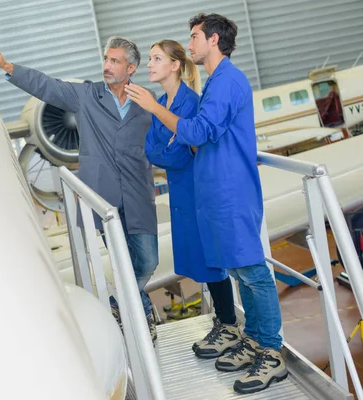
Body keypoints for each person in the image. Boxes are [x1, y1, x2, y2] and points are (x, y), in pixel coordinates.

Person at [125, 14, 287, 394]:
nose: (191, 43)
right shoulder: (217, 82)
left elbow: (198, 131)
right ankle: (255, 339)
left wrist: (154, 107)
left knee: (252, 270)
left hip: (231, 190)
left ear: (213, 40)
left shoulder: (228, 81)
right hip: (216, 190)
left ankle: (272, 352)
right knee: (238, 270)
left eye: (194, 37)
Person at [0, 37, 160, 341]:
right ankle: (142, 316)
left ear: (131, 67)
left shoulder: (146, 100)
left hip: (138, 191)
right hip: (103, 196)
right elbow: (46, 86)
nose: (106, 66)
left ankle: (120, 303)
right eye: (106, 59)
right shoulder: (86, 95)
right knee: (123, 261)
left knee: (148, 261)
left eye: (115, 61)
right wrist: (7, 65)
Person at [143, 39, 240, 359]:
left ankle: (228, 324)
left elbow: (184, 151)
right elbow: (154, 152)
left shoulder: (192, 102)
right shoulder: (160, 102)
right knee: (200, 259)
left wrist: (174, 145)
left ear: (175, 65)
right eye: (149, 59)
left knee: (212, 260)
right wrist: (174, 143)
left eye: (157, 58)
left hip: (197, 191)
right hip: (182, 194)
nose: (150, 64)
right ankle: (224, 322)